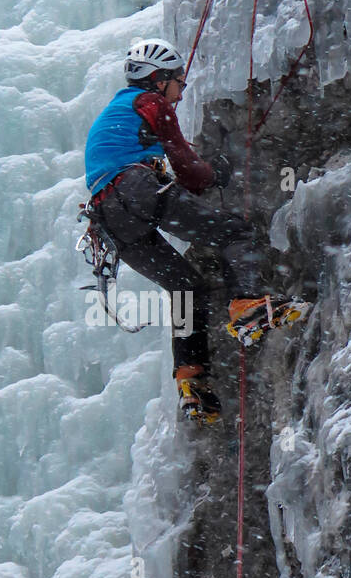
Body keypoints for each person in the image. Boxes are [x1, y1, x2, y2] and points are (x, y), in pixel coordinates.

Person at [84, 38, 309, 424]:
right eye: (178, 82)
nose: (182, 90)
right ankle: (248, 305)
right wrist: (216, 173)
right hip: (136, 190)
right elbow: (188, 169)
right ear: (159, 80)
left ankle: (191, 379)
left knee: (186, 288)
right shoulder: (150, 104)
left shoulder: (117, 112)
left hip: (110, 219)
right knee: (236, 232)